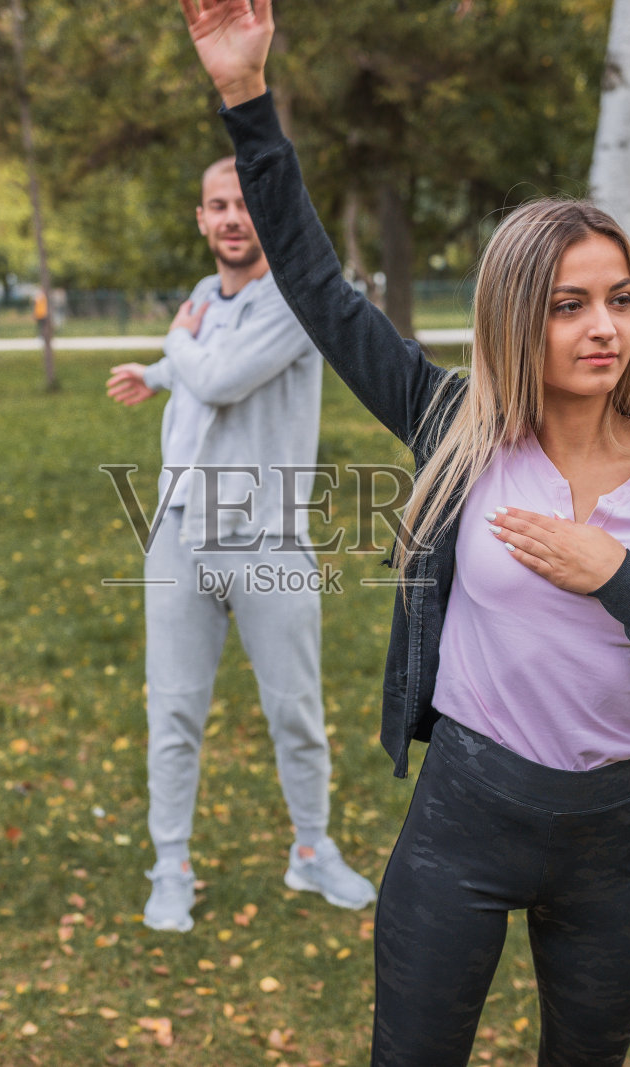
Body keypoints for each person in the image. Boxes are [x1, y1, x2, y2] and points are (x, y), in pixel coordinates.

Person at [178, 2, 630, 1064]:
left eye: (619, 300)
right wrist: (244, 98)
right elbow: (317, 289)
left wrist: (625, 581)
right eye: (566, 304)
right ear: (514, 315)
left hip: (612, 843)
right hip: (463, 818)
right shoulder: (459, 427)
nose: (602, 327)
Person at [104, 154, 377, 933]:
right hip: (179, 532)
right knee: (175, 711)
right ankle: (171, 867)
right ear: (201, 218)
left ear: (268, 215)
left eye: (245, 205)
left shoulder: (298, 300)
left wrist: (175, 348)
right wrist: (158, 371)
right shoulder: (201, 299)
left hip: (267, 537)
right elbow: (198, 360)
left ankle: (312, 851)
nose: (231, 217)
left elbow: (222, 376)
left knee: (295, 708)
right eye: (217, 205)